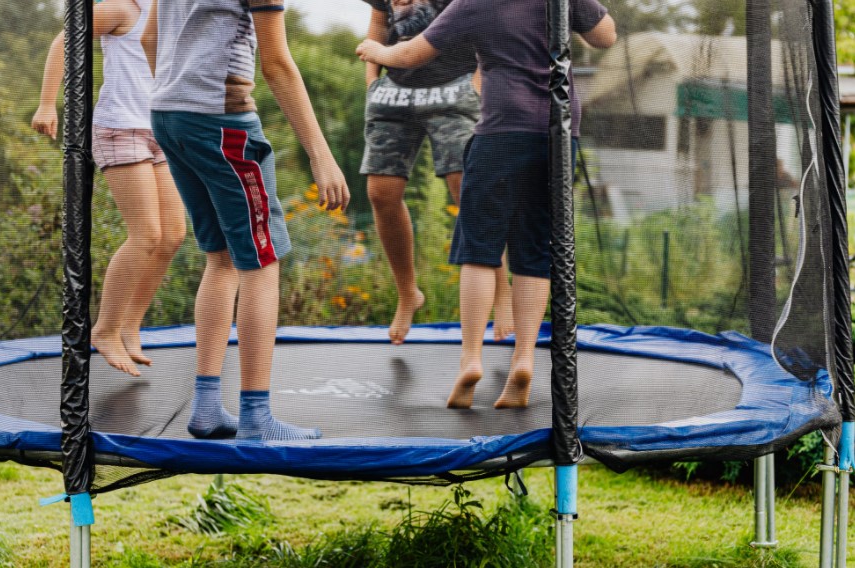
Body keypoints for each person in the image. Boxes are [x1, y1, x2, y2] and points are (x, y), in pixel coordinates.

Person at [356, 0, 616, 409]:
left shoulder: (475, 2)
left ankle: (471, 359)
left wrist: (377, 53)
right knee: (534, 251)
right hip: (560, 133)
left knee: (479, 249)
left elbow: (411, 53)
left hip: (501, 130)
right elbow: (606, 36)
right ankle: (524, 359)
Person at [142, 0, 350, 440]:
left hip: (168, 114)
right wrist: (321, 154)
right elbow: (276, 64)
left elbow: (148, 39)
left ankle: (205, 407)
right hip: (222, 121)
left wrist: (180, 90)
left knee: (220, 257)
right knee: (262, 259)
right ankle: (256, 416)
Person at [32, 0, 186, 378]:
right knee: (146, 234)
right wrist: (47, 105)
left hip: (159, 130)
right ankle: (105, 329)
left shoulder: (170, 10)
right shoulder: (120, 8)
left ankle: (131, 324)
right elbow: (62, 42)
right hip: (120, 129)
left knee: (173, 235)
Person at [360, 0, 515, 345]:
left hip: (454, 86)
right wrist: (371, 83)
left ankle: (503, 292)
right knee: (380, 193)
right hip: (395, 91)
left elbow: (484, 25)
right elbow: (377, 25)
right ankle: (407, 294)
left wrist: (476, 84)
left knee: (468, 189)